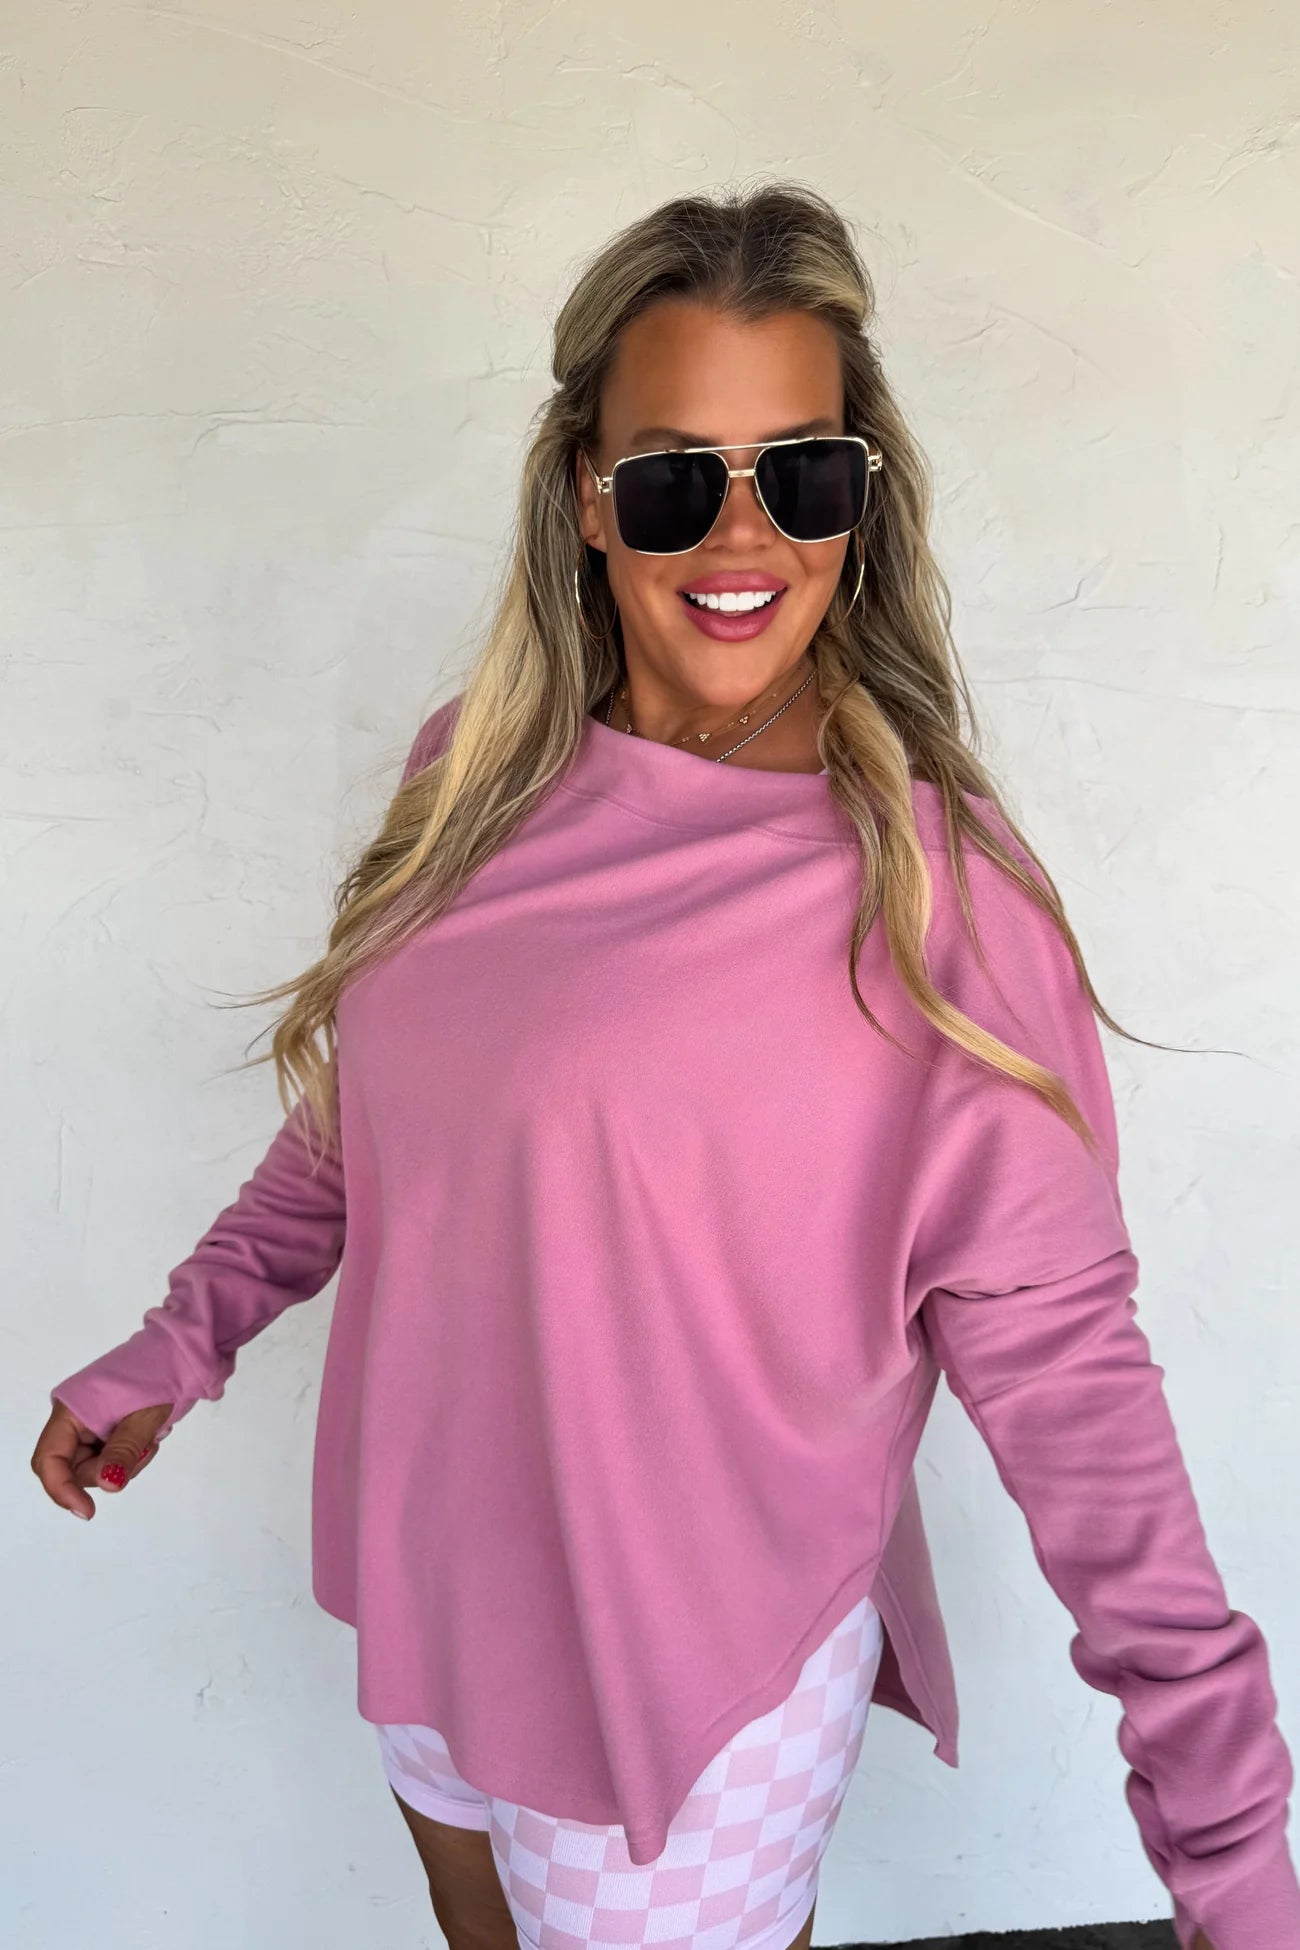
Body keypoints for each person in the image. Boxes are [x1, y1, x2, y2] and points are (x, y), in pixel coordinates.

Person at [32, 181, 1296, 1950]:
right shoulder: (473, 772)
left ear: (863, 497)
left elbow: (1081, 1401)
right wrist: (184, 1338)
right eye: (676, 475)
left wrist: (1238, 1871)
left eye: (806, 471)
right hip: (434, 1588)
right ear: (587, 494)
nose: (745, 531)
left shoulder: (935, 896)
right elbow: (372, 1125)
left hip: (688, 1683)